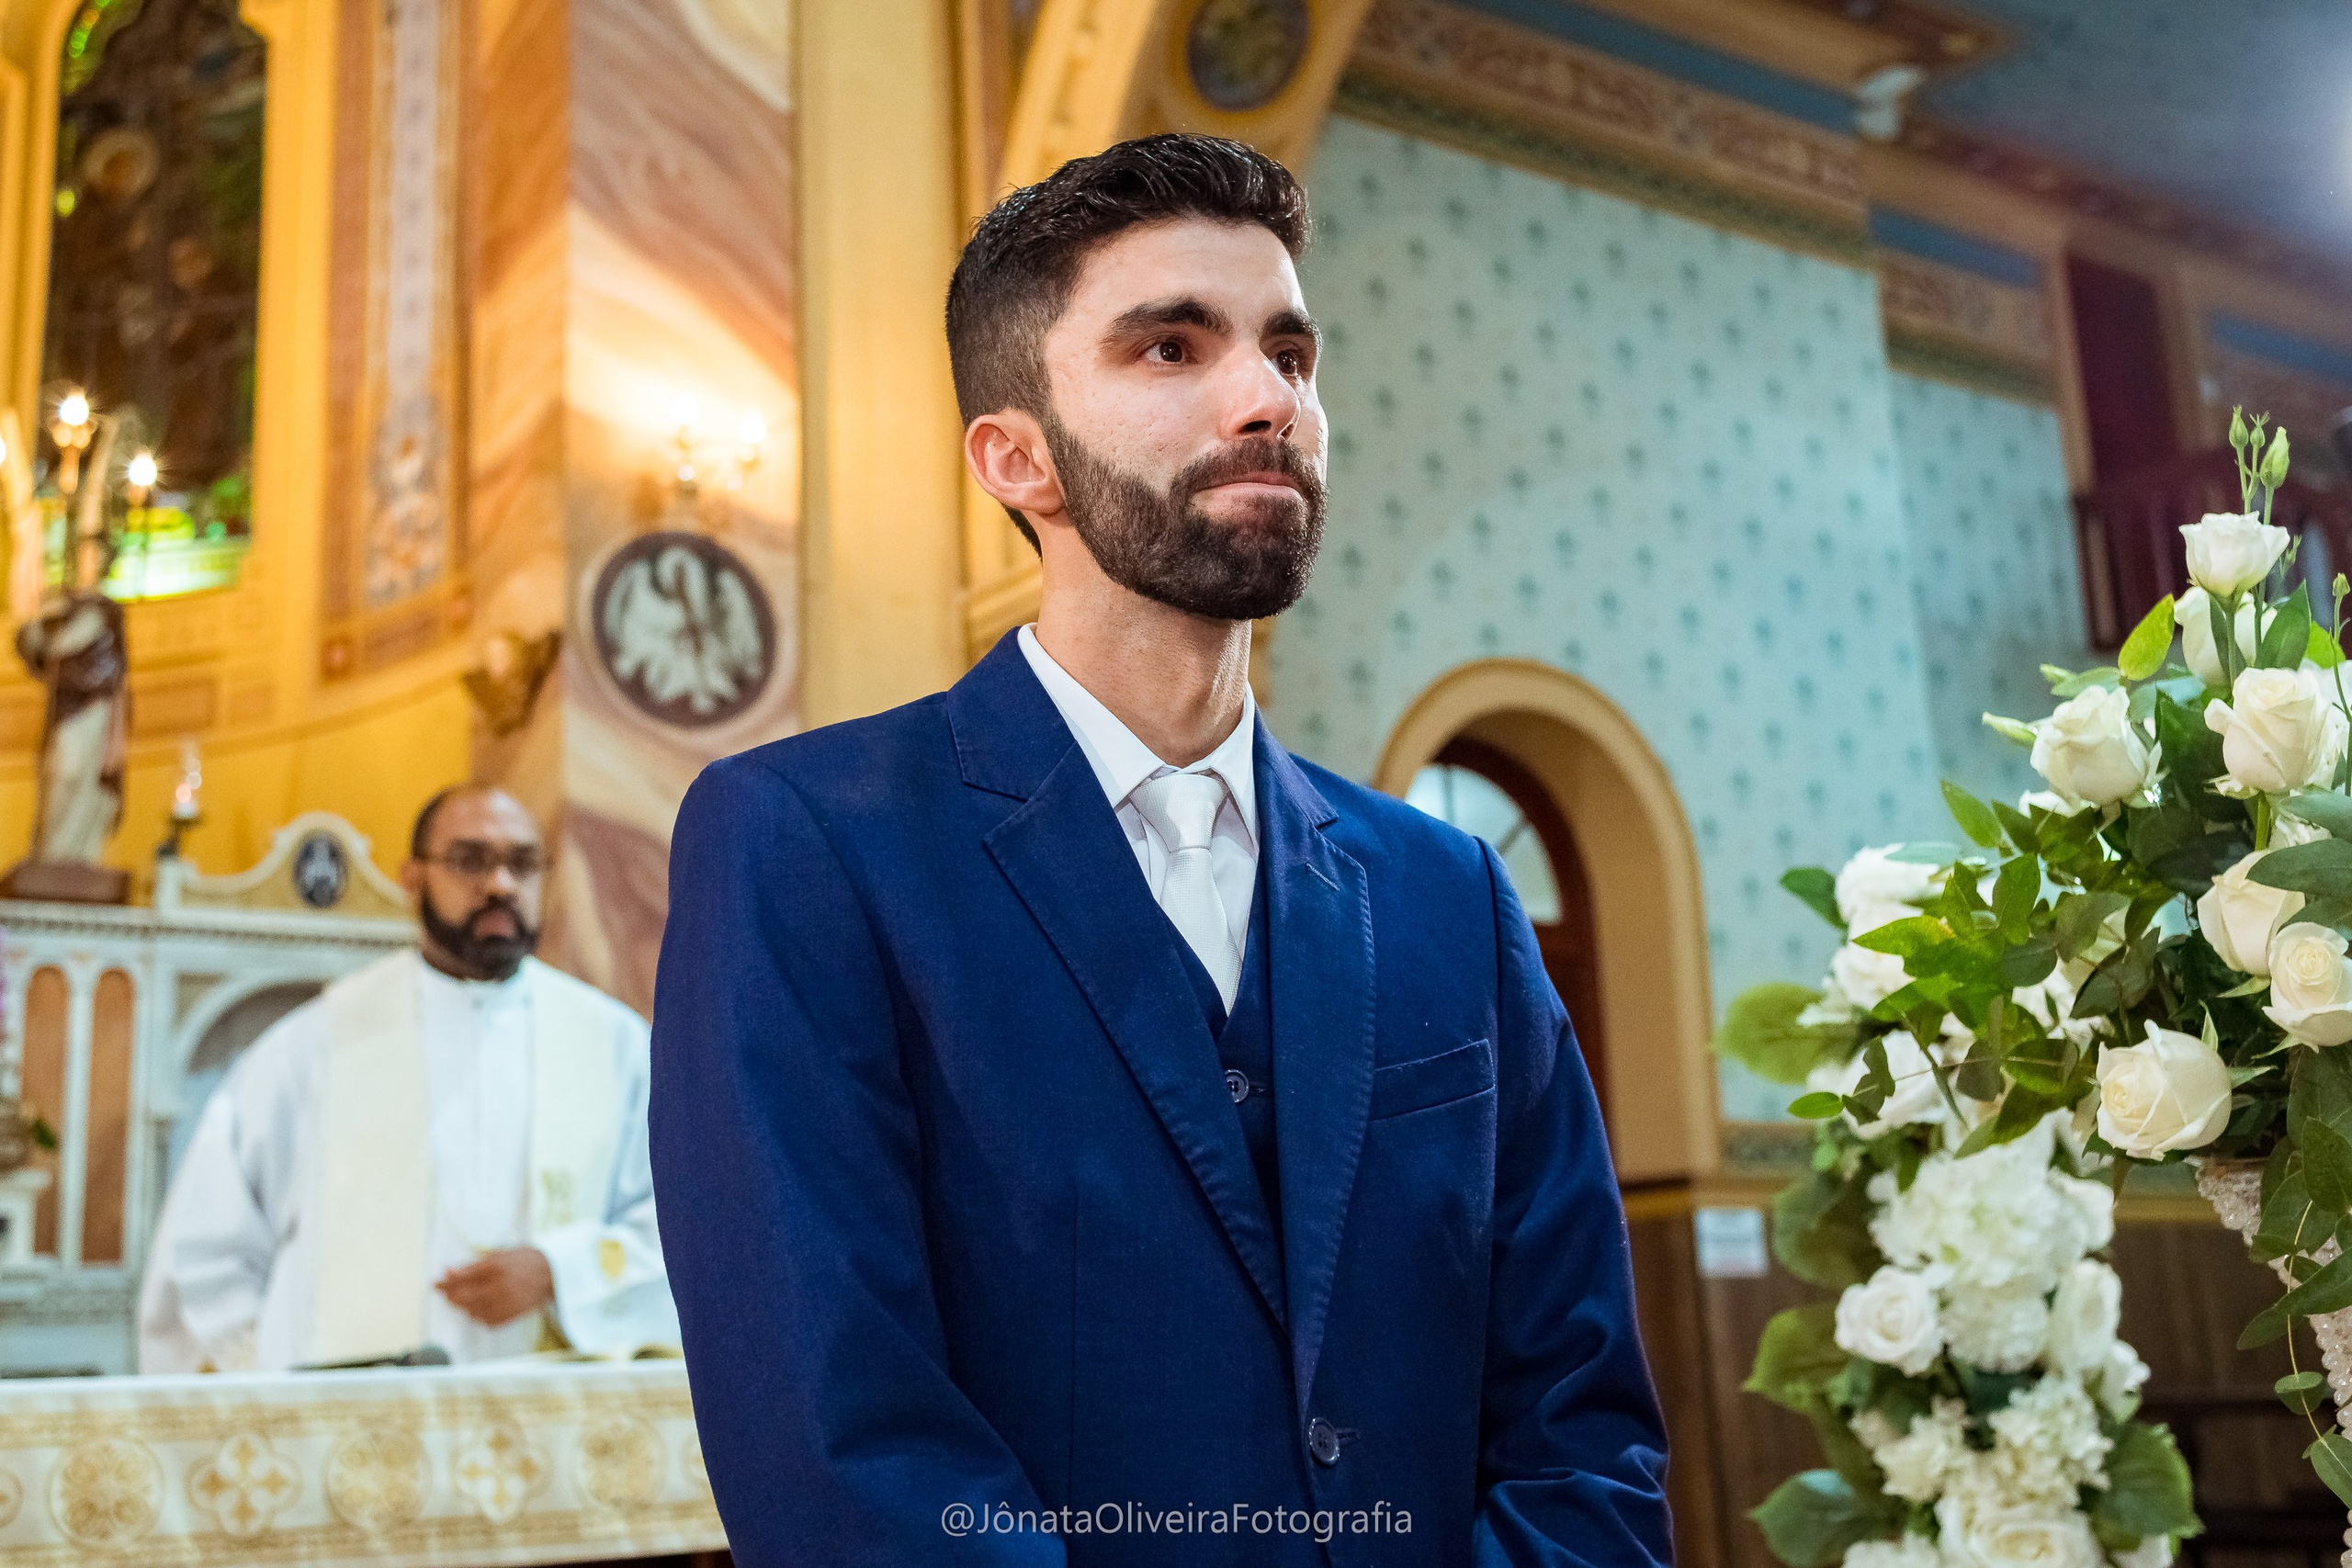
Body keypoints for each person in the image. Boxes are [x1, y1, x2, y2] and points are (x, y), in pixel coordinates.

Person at [651, 134, 1670, 1565]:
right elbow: (843, 1442)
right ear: (1018, 456)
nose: (1268, 400)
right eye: (1171, 349)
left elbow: (1584, 1420)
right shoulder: (810, 842)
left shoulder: (1450, 890)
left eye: (1293, 355)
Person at [139, 785, 677, 1372]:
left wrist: (561, 1270)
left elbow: (685, 1221)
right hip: (358, 1429)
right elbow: (207, 1250)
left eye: (522, 864)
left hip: (560, 1424)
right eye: (470, 860)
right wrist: (266, 1390)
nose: (500, 885)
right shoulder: (313, 1047)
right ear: (412, 879)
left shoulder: (613, 1044)